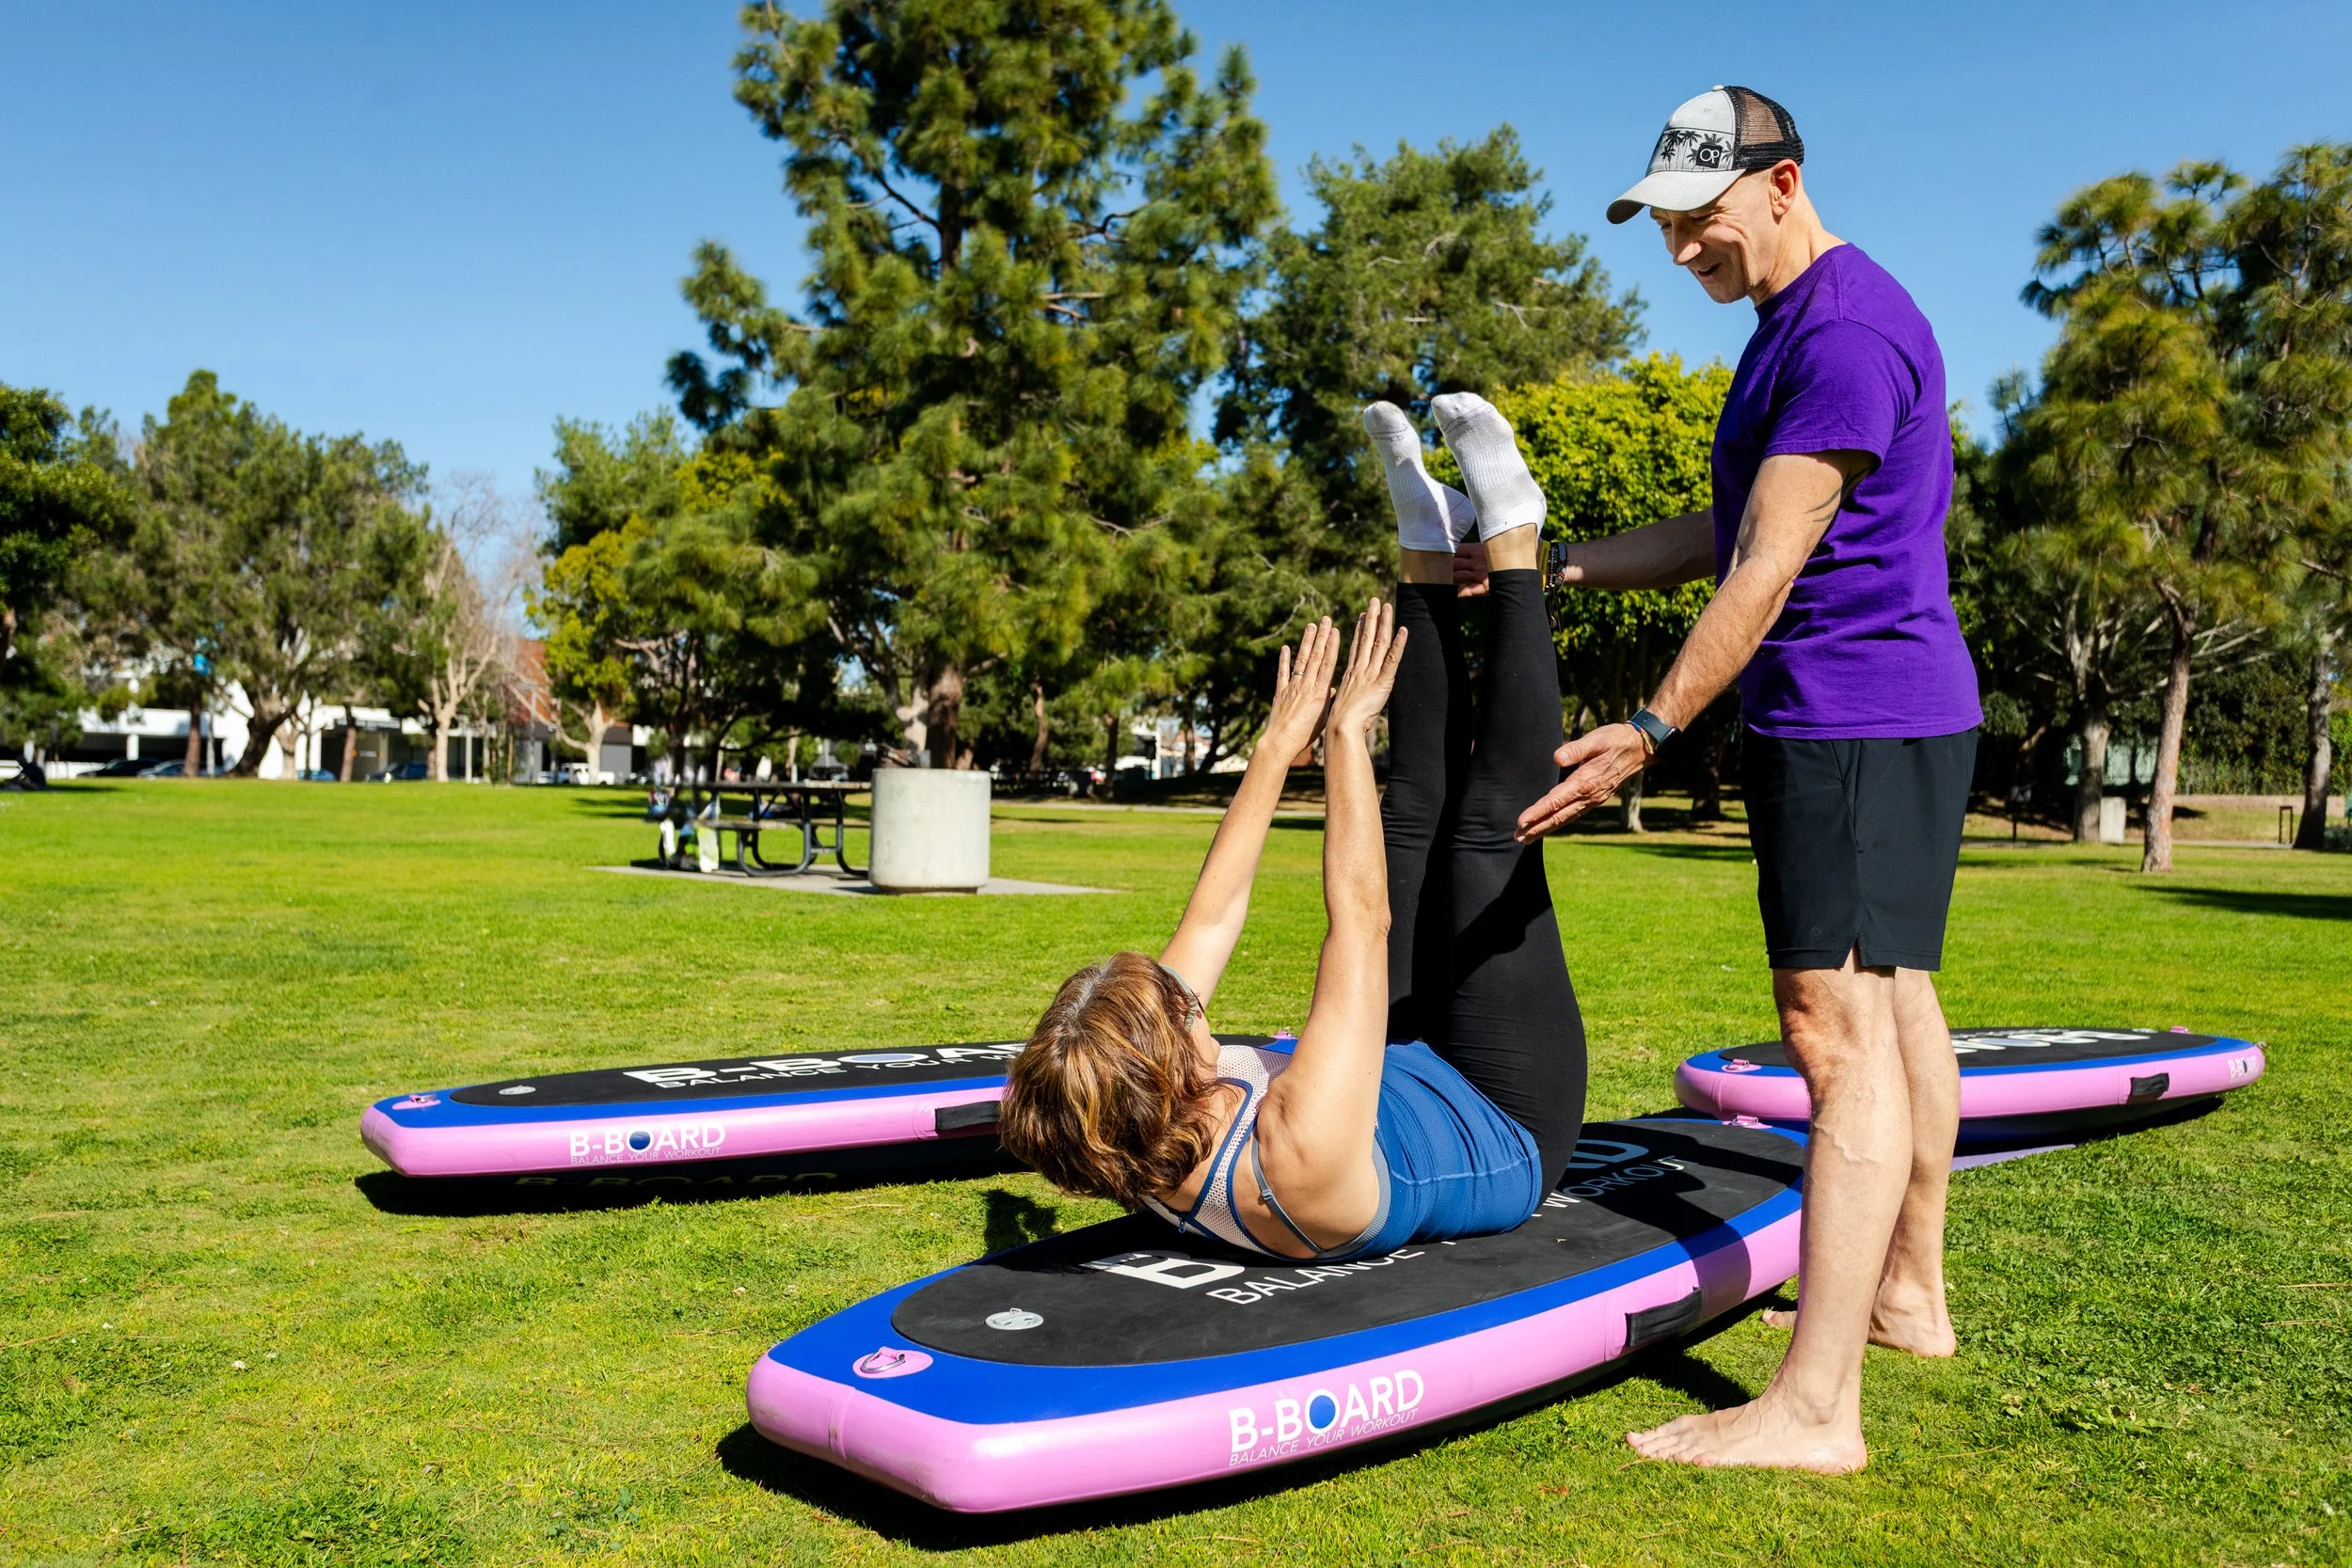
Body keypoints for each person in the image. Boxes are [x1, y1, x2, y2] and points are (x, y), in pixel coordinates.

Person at [1463, 86, 1981, 1473]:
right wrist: (1559, 565)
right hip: (1889, 709)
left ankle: (1817, 1407)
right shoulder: (1791, 330)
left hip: (1853, 714)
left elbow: (1765, 568)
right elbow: (1720, 523)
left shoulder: (1848, 331)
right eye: (1664, 225)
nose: (1682, 248)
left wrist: (1646, 726)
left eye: (1699, 220)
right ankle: (1911, 1291)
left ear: (1780, 182)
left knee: (1835, 1031)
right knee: (1897, 1003)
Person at [1000, 397, 1588, 1260]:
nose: (1188, 998)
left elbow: (1212, 917)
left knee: (1411, 818)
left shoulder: (1139, 1116)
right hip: (1503, 1106)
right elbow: (1362, 917)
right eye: (1180, 1013)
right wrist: (1344, 736)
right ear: (1176, 1071)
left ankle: (1425, 546)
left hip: (1395, 1069)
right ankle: (1513, 537)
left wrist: (1276, 748)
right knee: (1484, 839)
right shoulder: (1293, 1154)